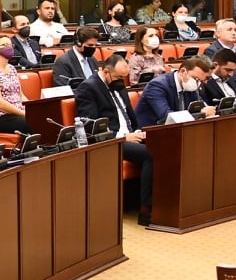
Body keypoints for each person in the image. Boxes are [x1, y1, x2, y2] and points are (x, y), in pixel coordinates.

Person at [73, 54, 154, 224]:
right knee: (150, 153)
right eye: (118, 77)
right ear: (105, 72)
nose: (122, 81)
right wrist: (124, 137)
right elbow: (91, 126)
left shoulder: (118, 85)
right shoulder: (88, 88)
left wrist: (139, 131)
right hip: (109, 141)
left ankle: (165, 203)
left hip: (131, 134)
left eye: (124, 77)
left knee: (166, 144)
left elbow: (130, 116)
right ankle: (146, 210)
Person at [135, 55, 216, 127]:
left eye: (201, 80)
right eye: (196, 79)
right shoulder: (157, 86)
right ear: (183, 71)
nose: (198, 83)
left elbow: (199, 106)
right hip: (151, 131)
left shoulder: (190, 86)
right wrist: (200, 114)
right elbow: (167, 117)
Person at [48, 26, 100, 91]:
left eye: (95, 45)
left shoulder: (93, 60)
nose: (93, 48)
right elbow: (63, 89)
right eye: (90, 45)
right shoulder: (63, 62)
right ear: (78, 43)